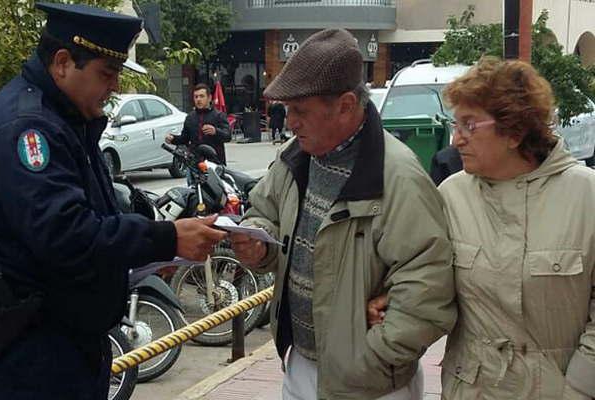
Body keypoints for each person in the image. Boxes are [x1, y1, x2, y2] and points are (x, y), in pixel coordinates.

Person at [0, 3, 226, 399]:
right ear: (64, 63)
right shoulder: (30, 129)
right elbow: (66, 235)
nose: (115, 86)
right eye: (107, 73)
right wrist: (165, 238)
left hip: (69, 345)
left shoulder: (67, 119)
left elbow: (95, 215)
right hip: (35, 354)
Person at [230, 28, 457, 400]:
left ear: (347, 106)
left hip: (370, 383)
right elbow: (264, 212)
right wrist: (257, 241)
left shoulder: (398, 177)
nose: (290, 122)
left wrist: (375, 359)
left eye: (300, 111)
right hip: (300, 362)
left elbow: (428, 285)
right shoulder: (294, 157)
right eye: (288, 110)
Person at [368, 57, 595, 399]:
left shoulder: (586, 196)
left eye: (469, 125)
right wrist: (397, 297)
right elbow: (430, 278)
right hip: (471, 389)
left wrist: (577, 389)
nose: (456, 139)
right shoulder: (450, 195)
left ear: (514, 132)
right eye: (454, 124)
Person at [165, 83, 231, 171]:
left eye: (201, 96)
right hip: (195, 164)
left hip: (215, 163)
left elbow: (228, 136)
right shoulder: (190, 117)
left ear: (209, 98)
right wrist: (173, 139)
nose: (198, 99)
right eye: (196, 97)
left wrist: (216, 131)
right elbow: (184, 139)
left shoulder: (219, 115)